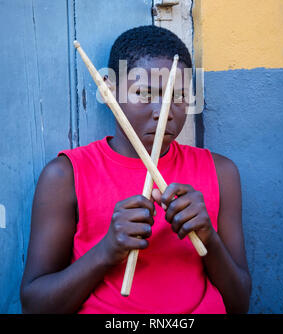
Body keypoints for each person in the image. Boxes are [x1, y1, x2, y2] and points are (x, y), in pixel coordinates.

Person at [20, 25, 251, 314]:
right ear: (109, 90)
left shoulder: (221, 173)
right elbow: (34, 305)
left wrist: (208, 238)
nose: (163, 111)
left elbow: (240, 302)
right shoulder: (66, 175)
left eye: (177, 97)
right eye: (144, 93)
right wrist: (107, 251)